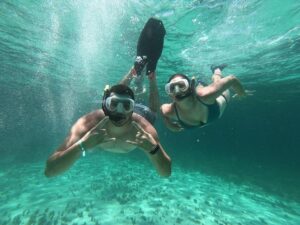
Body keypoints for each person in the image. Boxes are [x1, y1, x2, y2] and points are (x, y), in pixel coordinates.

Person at [45, 18, 171, 177]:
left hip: (141, 113)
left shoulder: (143, 130)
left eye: (126, 106)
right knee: (123, 96)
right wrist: (81, 145)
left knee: (152, 112)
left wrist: (154, 149)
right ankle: (136, 72)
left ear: (131, 108)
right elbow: (50, 171)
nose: (119, 111)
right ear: (105, 105)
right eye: (113, 104)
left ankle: (150, 76)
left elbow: (166, 173)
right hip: (129, 109)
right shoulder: (90, 123)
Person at [160, 64, 252, 132]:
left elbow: (232, 79)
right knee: (200, 89)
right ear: (169, 93)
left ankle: (216, 69)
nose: (177, 91)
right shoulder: (169, 110)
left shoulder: (205, 96)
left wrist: (241, 92)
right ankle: (200, 82)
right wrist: (168, 124)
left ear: (189, 87)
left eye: (181, 85)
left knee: (216, 81)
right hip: (200, 97)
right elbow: (161, 110)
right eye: (172, 88)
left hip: (218, 99)